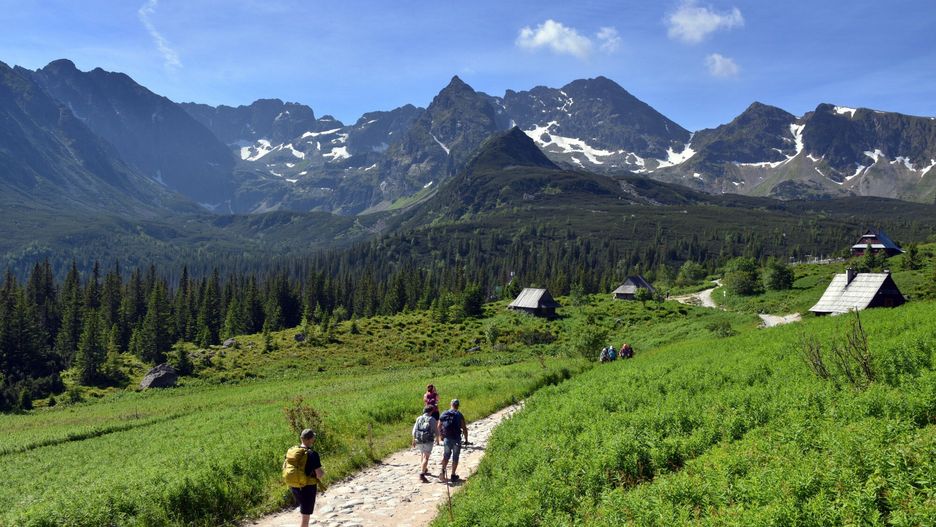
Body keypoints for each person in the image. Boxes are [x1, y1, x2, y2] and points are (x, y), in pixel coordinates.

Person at [283, 429, 325, 527]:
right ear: (311, 439)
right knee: (305, 518)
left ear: (301, 438)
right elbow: (319, 474)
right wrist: (322, 473)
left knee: (303, 511)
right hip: (308, 487)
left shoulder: (293, 451)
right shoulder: (312, 454)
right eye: (313, 437)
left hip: (294, 485)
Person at [439, 399, 468, 482]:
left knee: (446, 455)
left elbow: (439, 426)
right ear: (458, 406)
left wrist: (441, 436)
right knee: (455, 457)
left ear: (450, 404)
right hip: (456, 439)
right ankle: (453, 475)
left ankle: (443, 471)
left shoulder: (445, 413)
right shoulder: (459, 414)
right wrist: (466, 439)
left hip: (447, 438)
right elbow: (464, 428)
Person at [412, 405, 441, 482]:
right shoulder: (432, 419)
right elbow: (436, 431)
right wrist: (438, 440)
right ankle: (422, 473)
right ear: (431, 411)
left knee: (422, 454)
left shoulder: (418, 418)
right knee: (426, 457)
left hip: (419, 439)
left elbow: (414, 431)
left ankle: (424, 469)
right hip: (428, 440)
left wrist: (414, 440)